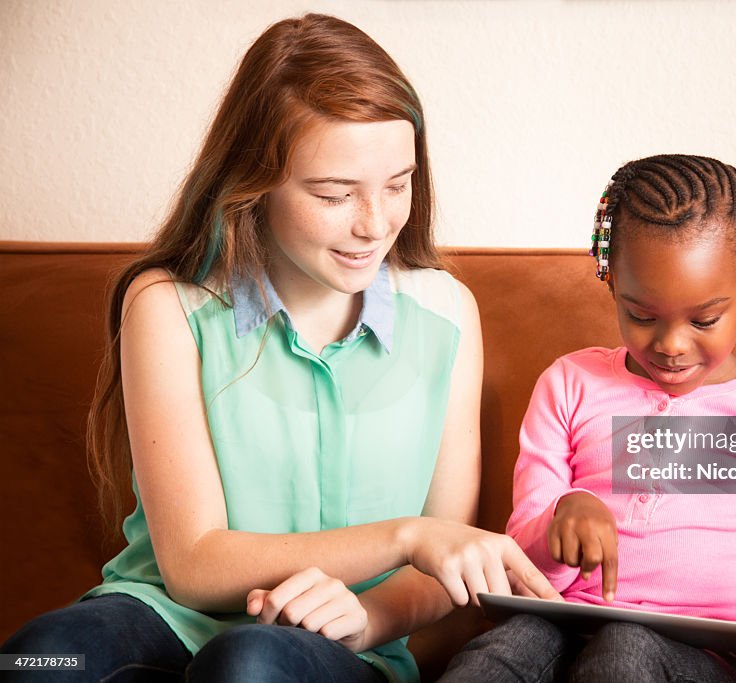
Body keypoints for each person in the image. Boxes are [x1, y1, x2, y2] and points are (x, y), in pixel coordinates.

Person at [0, 13, 557, 683]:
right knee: (36, 659)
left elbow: (443, 571)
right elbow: (194, 563)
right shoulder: (167, 305)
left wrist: (367, 616)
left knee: (250, 661)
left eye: (397, 183)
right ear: (253, 182)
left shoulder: (446, 317)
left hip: (341, 646)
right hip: (164, 616)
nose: (374, 223)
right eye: (333, 193)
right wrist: (406, 536)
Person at [441, 155, 736, 682]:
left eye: (704, 319)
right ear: (612, 283)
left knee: (625, 647)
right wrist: (561, 516)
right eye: (641, 316)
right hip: (560, 626)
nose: (672, 345)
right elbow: (521, 557)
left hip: (709, 661)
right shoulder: (569, 384)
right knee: (499, 653)